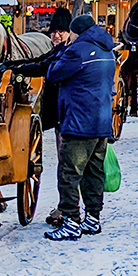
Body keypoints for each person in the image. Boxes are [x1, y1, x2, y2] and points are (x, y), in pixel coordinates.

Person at [43, 13, 117, 241]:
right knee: (94, 172)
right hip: (101, 120)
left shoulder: (78, 50)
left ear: (76, 32)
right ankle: (93, 219)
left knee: (69, 173)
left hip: (78, 121)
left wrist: (63, 51)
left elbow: (53, 73)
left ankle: (71, 222)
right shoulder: (107, 48)